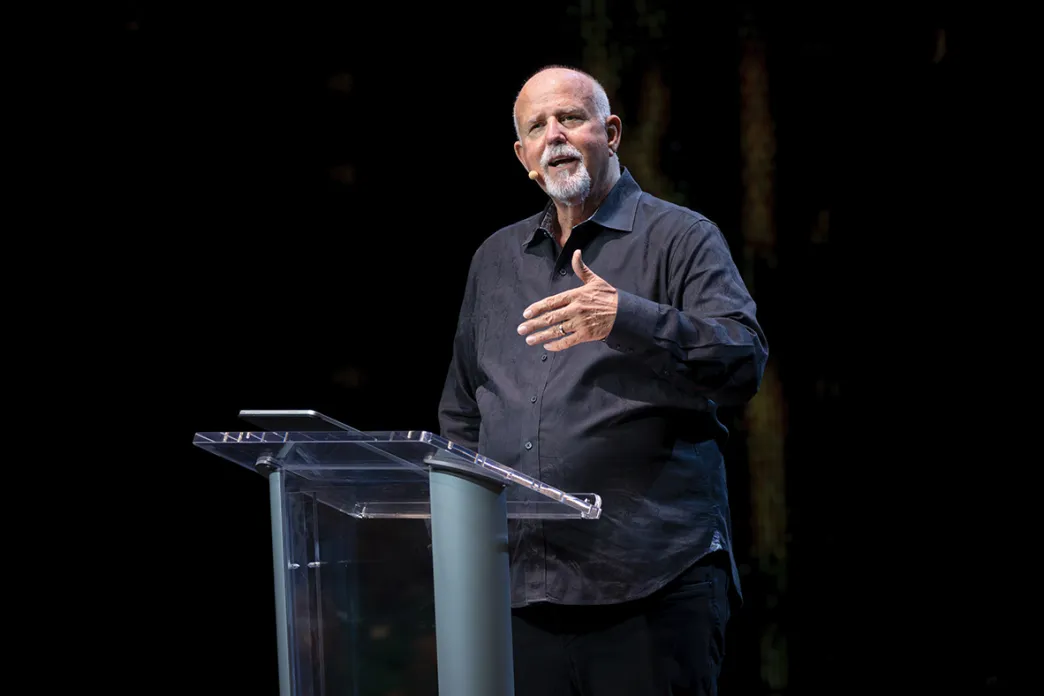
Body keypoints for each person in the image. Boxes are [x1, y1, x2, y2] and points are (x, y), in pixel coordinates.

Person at [437, 65, 768, 696]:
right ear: (523, 157)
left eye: (571, 118)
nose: (554, 135)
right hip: (523, 593)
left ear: (610, 132)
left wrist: (628, 316)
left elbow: (743, 360)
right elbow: (464, 412)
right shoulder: (495, 260)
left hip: (652, 586)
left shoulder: (681, 238)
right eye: (537, 127)